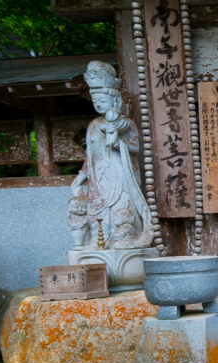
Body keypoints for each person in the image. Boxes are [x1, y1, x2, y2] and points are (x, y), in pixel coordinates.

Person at [70, 60, 153, 250]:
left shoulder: (125, 123)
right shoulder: (92, 126)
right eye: (95, 100)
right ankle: (98, 239)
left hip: (120, 175)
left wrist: (117, 143)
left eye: (103, 100)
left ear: (115, 100)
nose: (99, 103)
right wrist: (81, 177)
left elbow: (135, 147)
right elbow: (89, 156)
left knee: (121, 208)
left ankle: (126, 237)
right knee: (96, 209)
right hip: (98, 177)